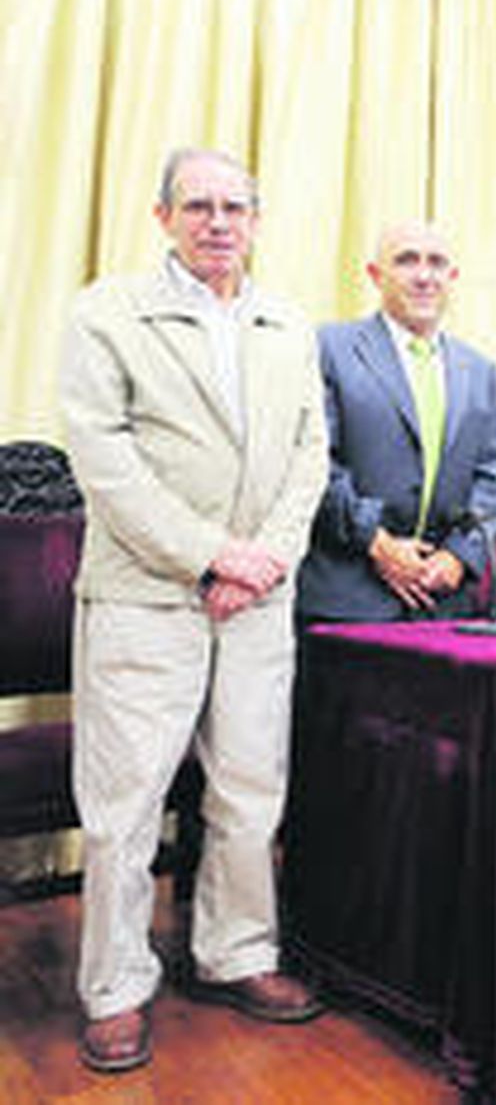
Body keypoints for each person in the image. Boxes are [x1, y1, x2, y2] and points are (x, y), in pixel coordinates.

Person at [59, 148, 328, 1073]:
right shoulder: (108, 313)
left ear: (257, 219)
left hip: (258, 601)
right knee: (124, 805)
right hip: (147, 594)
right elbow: (104, 458)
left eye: (235, 207)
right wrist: (212, 553)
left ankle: (236, 952)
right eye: (200, 206)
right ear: (163, 214)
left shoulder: (288, 322)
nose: (219, 222)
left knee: (252, 790)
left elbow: (308, 456)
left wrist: (262, 563)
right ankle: (116, 988)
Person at [297, 221, 496, 623]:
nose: (424, 276)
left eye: (437, 263)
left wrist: (458, 557)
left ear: (453, 277)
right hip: (348, 600)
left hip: (442, 606)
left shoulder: (480, 369)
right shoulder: (329, 348)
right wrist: (377, 543)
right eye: (407, 261)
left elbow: (491, 475)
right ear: (376, 275)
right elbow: (313, 460)